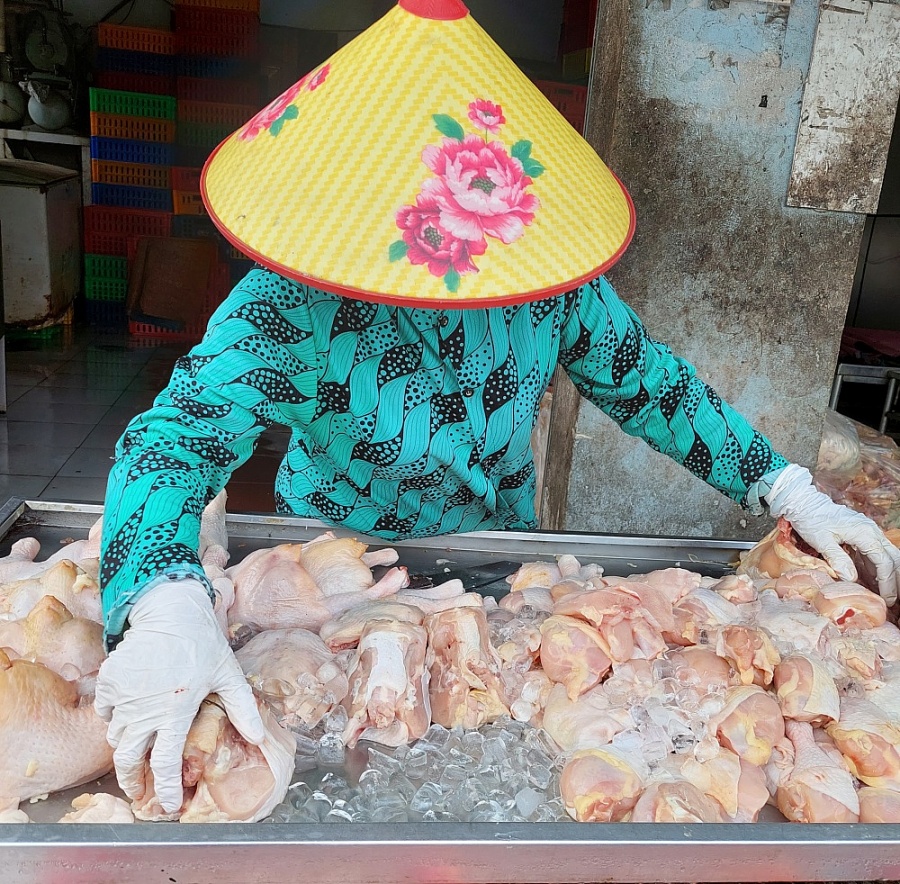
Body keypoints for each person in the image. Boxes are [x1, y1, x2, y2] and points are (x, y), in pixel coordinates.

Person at [95, 0, 900, 814]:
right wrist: (159, 596)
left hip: (494, 566)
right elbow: (175, 442)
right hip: (337, 572)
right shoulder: (284, 305)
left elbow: (649, 383)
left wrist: (781, 484)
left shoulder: (546, 284)